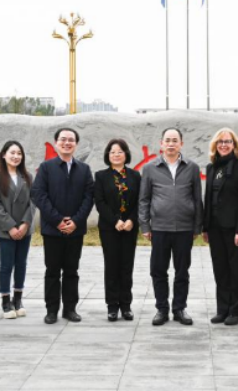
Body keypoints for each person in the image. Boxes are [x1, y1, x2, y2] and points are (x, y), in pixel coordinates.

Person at [138, 127, 203, 326]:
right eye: (168, 140)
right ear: (161, 143)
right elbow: (144, 199)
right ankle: (162, 309)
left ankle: (179, 308)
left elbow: (197, 199)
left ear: (181, 144)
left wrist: (197, 227)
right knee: (158, 270)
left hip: (184, 228)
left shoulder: (192, 167)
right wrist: (145, 226)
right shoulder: (150, 168)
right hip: (159, 228)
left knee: (182, 271)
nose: (171, 144)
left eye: (175, 140)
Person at [31, 127, 94, 324]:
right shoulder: (46, 167)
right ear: (56, 143)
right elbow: (39, 195)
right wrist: (58, 220)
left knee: (71, 271)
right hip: (52, 230)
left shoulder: (84, 169)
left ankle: (70, 309)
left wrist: (75, 221)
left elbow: (89, 198)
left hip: (75, 230)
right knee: (52, 272)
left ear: (76, 144)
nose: (67, 143)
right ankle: (51, 310)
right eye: (63, 139)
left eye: (71, 140)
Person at [203, 128, 238, 326]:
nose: (224, 145)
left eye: (228, 141)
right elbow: (208, 199)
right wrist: (205, 227)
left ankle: (237, 311)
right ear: (215, 145)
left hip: (235, 229)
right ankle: (223, 309)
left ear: (234, 145)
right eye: (220, 142)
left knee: (237, 271)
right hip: (215, 228)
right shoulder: (211, 168)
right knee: (220, 270)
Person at [94, 139, 141, 322]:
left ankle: (126, 305)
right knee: (112, 266)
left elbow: (140, 201)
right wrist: (115, 220)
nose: (116, 155)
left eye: (120, 151)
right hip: (109, 228)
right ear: (108, 155)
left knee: (127, 266)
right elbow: (100, 202)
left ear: (126, 154)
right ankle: (112, 306)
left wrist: (131, 220)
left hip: (129, 228)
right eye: (112, 152)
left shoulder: (135, 175)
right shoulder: (101, 176)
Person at [0, 140, 34, 320]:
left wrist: (25, 224)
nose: (16, 156)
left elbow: (33, 202)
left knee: (21, 263)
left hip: (24, 229)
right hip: (5, 230)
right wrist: (10, 226)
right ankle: (5, 300)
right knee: (6, 265)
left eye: (19, 153)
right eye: (12, 153)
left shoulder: (28, 177)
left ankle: (18, 299)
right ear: (3, 155)